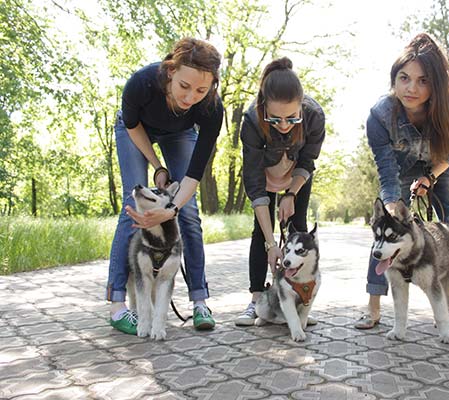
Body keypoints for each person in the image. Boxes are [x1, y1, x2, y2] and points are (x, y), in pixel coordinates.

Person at [355, 33, 449, 332]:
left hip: (443, 166)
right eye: (404, 78)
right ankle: (372, 309)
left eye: (423, 80)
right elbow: (386, 171)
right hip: (400, 170)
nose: (411, 87)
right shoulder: (379, 117)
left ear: (435, 83)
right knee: (384, 235)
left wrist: (430, 177)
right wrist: (391, 208)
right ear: (394, 79)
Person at [106, 37, 224, 334]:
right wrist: (157, 166)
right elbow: (133, 127)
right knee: (133, 207)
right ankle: (118, 305)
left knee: (189, 214)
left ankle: (199, 301)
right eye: (185, 86)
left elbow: (193, 177)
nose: (190, 97)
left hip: (180, 133)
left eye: (201, 90)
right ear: (171, 71)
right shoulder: (141, 85)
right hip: (136, 130)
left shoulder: (211, 108)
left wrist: (171, 208)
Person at [234, 57, 326, 326]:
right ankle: (256, 300)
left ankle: (299, 300)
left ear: (302, 106)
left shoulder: (314, 116)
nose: (284, 125)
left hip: (296, 171)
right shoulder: (251, 120)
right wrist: (272, 245)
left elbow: (308, 161)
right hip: (264, 173)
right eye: (275, 118)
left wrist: (291, 194)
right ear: (264, 108)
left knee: (299, 226)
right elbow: (253, 182)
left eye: (291, 117)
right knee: (261, 232)